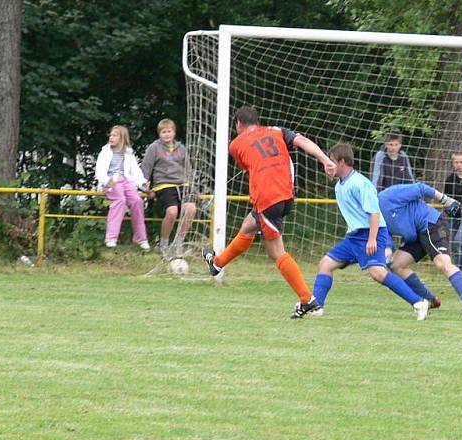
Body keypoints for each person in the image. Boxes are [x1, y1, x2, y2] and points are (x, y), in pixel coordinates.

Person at [201, 105, 336, 319]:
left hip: (268, 199)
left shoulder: (235, 144)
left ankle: (307, 300)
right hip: (286, 194)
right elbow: (302, 141)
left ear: (238, 124)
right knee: (248, 225)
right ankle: (217, 264)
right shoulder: (276, 131)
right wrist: (326, 160)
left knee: (277, 252)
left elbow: (246, 165)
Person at [311, 143, 431, 320]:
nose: (328, 164)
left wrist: (372, 239)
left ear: (342, 162)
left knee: (378, 273)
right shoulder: (340, 185)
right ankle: (317, 306)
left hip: (370, 234)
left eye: (332, 161)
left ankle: (419, 302)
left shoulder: (360, 184)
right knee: (326, 264)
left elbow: (374, 213)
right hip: (354, 237)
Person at [379, 182, 462, 316]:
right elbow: (384, 234)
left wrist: (445, 200)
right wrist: (387, 251)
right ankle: (430, 300)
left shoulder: (387, 196)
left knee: (442, 264)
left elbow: (420, 188)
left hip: (431, 224)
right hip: (415, 236)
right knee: (396, 264)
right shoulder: (371, 215)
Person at [141, 118, 197, 259]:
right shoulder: (154, 148)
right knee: (172, 212)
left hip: (183, 184)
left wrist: (192, 185)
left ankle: (179, 243)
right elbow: (146, 168)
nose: (167, 134)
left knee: (191, 209)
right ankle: (164, 244)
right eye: (163, 132)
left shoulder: (181, 148)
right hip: (164, 184)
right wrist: (145, 187)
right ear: (159, 134)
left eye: (169, 131)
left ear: (174, 132)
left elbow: (188, 168)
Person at [94, 125, 150, 250]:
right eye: (111, 135)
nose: (111, 137)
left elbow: (134, 171)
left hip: (125, 181)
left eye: (115, 135)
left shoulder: (128, 153)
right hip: (111, 181)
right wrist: (106, 181)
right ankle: (111, 237)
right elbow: (99, 171)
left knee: (137, 201)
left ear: (122, 138)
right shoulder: (105, 152)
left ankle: (140, 238)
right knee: (120, 200)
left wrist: (142, 182)